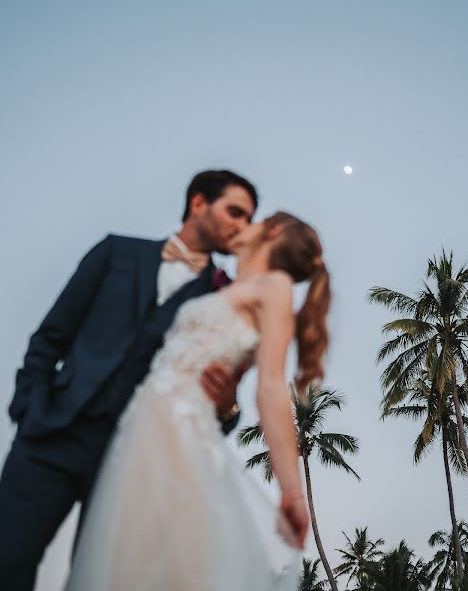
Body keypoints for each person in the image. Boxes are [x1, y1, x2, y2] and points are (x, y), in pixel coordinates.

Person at [0, 170, 258, 591]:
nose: (241, 227)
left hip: (132, 463)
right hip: (51, 435)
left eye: (248, 219)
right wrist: (29, 408)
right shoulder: (116, 252)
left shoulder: (224, 298)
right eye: (235, 212)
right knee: (6, 560)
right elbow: (52, 336)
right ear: (198, 203)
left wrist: (227, 404)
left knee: (99, 582)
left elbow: (219, 412)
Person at [66, 211, 331, 591]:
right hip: (140, 428)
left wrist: (290, 490)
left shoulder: (274, 286)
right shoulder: (226, 290)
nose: (243, 224)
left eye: (255, 219)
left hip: (178, 431)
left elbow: (271, 386)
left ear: (271, 233)